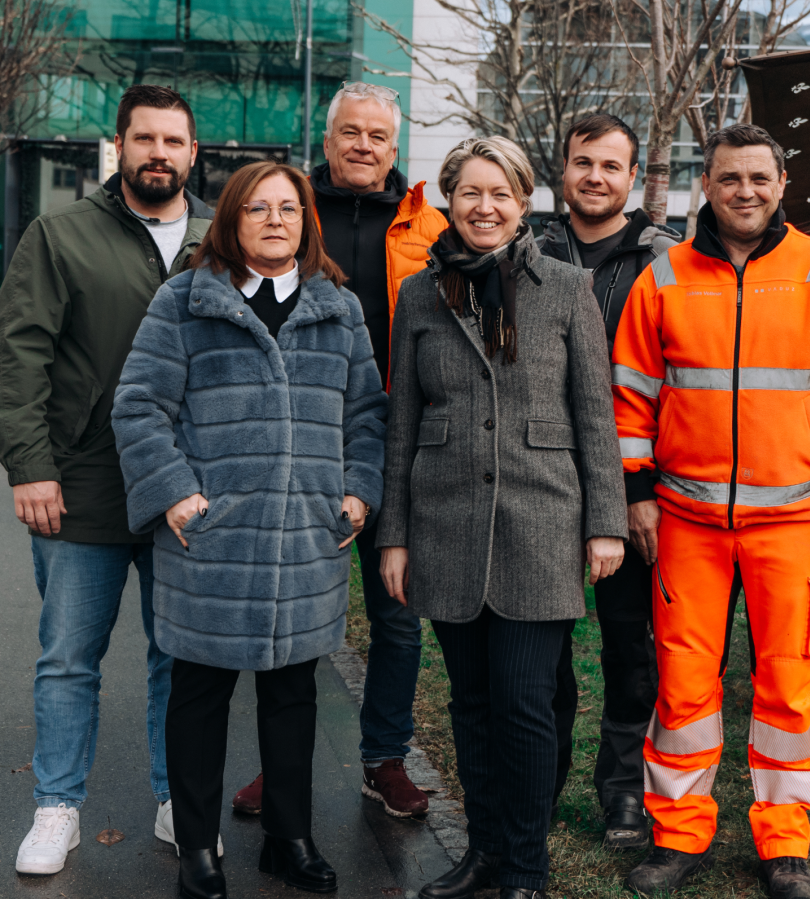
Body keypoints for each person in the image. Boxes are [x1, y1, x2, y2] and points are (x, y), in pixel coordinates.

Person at [611, 123, 810, 899]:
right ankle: (678, 834)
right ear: (708, 184)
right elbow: (630, 395)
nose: (744, 191)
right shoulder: (664, 277)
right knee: (683, 686)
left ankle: (784, 843)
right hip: (686, 520)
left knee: (788, 686)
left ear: (782, 183)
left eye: (758, 178)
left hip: (798, 521)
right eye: (730, 177)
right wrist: (636, 492)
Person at [112, 160, 387, 899]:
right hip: (214, 544)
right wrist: (176, 496)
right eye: (258, 208)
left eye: (289, 208)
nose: (275, 220)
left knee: (294, 696)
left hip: (306, 541)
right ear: (231, 219)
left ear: (307, 220)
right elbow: (139, 407)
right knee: (198, 695)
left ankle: (289, 838)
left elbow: (367, 415)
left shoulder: (339, 309)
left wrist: (359, 492)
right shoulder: (185, 302)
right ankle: (199, 845)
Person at [378, 136, 627, 899]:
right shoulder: (420, 296)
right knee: (471, 703)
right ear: (449, 200)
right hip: (445, 521)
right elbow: (401, 421)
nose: (485, 208)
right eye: (471, 193)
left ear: (524, 205)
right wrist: (394, 534)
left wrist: (605, 520)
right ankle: (483, 852)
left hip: (540, 519)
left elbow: (594, 411)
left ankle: (525, 867)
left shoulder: (562, 286)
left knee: (524, 704)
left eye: (501, 194)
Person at [0, 84, 214, 876]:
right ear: (119, 146)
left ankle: (177, 796)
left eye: (172, 141)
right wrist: (31, 467)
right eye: (143, 138)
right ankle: (57, 807)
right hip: (81, 484)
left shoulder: (223, 239)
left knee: (177, 654)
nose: (158, 153)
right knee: (68, 655)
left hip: (186, 493)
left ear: (193, 152)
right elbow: (17, 357)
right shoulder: (62, 234)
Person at [228, 81, 448, 821]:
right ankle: (277, 762)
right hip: (306, 445)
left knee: (395, 612)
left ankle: (383, 758)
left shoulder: (431, 230)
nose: (363, 146)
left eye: (377, 137)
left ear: (396, 148)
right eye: (350, 133)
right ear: (326, 142)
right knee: (290, 608)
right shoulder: (288, 212)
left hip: (403, 447)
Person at [536, 112, 677, 849]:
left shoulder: (667, 261)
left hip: (631, 482)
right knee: (543, 644)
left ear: (633, 175)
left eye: (610, 166)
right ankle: (542, 774)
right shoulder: (526, 249)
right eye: (583, 162)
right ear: (563, 168)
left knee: (631, 645)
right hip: (542, 482)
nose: (595, 176)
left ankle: (623, 790)